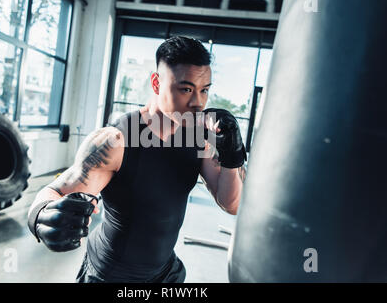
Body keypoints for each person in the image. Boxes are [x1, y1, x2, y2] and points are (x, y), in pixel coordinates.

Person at [27, 36, 247, 283]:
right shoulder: (116, 141)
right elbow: (53, 191)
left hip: (164, 272)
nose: (198, 103)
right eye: (186, 89)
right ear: (156, 83)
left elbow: (231, 203)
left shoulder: (197, 135)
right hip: (111, 275)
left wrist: (233, 155)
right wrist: (41, 216)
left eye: (204, 90)